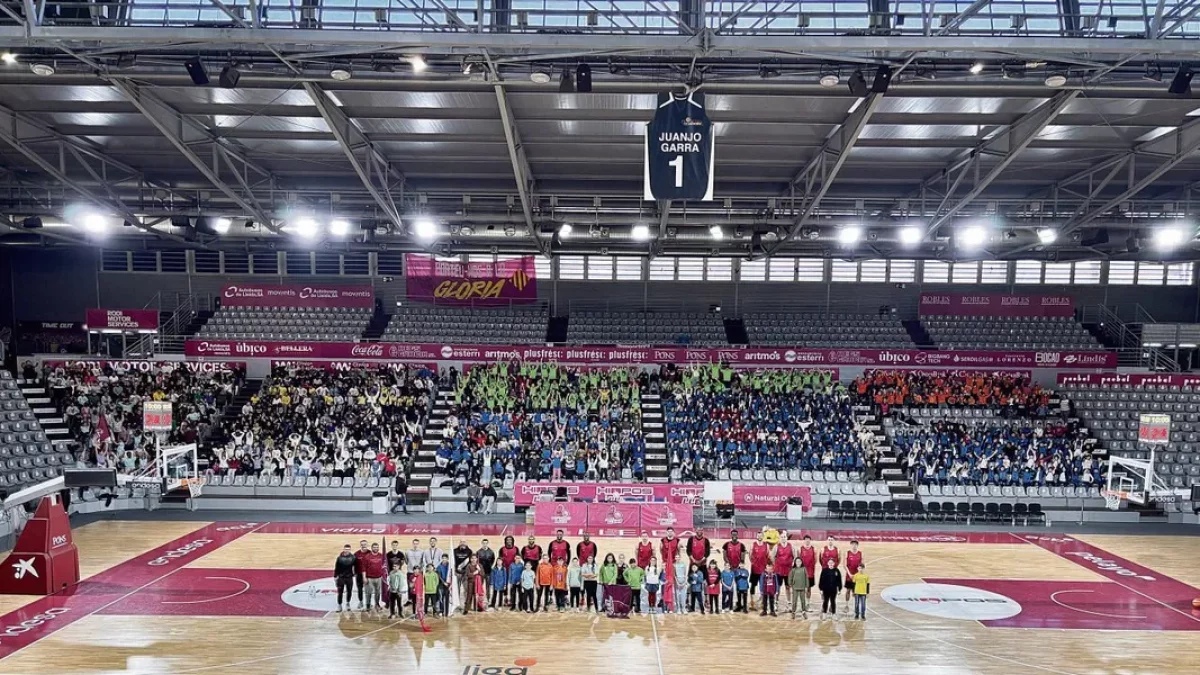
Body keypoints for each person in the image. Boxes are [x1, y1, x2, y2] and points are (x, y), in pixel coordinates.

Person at [773, 531, 795, 613]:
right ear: (780, 538)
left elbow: (795, 557)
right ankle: (776, 603)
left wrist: (793, 564)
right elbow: (772, 557)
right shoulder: (776, 547)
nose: (783, 538)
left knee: (788, 587)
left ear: (787, 538)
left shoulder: (791, 546)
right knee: (777, 588)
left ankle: (789, 604)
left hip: (788, 571)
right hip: (779, 571)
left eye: (785, 537)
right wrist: (777, 565)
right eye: (782, 537)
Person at [334, 544, 357, 613]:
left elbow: (355, 566)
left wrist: (355, 573)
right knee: (340, 592)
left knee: (349, 591)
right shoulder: (339, 558)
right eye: (346, 549)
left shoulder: (353, 558)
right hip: (341, 578)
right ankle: (339, 605)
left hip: (349, 577)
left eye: (348, 549)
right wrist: (335, 576)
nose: (347, 551)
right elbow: (336, 568)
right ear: (343, 549)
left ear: (350, 550)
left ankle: (348, 603)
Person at [363, 542, 386, 612]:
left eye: (377, 547)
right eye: (374, 547)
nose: (376, 548)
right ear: (371, 548)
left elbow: (384, 566)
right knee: (368, 592)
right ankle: (368, 605)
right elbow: (363, 568)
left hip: (379, 577)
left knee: (378, 592)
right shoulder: (367, 556)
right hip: (369, 578)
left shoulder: (381, 556)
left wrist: (384, 576)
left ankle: (377, 604)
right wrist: (364, 577)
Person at [749, 531, 769, 611]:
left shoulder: (766, 545)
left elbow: (768, 555)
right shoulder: (753, 544)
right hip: (754, 569)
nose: (759, 536)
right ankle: (752, 602)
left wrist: (766, 566)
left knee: (763, 586)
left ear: (763, 536)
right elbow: (750, 555)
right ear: (756, 536)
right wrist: (753, 563)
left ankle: (762, 602)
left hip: (763, 570)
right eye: (758, 535)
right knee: (753, 586)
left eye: (761, 535)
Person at [454, 540, 474, 611]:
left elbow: (472, 562)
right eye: (461, 542)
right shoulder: (454, 551)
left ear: (466, 543)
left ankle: (467, 605)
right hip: (457, 574)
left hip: (466, 574)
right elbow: (453, 562)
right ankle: (457, 605)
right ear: (459, 543)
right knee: (457, 590)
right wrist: (455, 571)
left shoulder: (470, 551)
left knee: (467, 590)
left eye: (464, 542)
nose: (462, 543)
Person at [844, 539, 863, 609]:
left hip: (857, 576)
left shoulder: (860, 554)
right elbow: (844, 565)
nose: (854, 546)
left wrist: (857, 574)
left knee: (856, 592)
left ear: (857, 545)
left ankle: (856, 606)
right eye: (853, 544)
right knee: (848, 590)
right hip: (849, 576)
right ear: (851, 545)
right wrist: (849, 574)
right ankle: (846, 605)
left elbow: (862, 566)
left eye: (855, 544)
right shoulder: (847, 553)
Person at [798, 535, 817, 607]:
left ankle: (808, 603)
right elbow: (798, 561)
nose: (807, 540)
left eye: (808, 539)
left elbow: (816, 560)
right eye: (806, 539)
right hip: (802, 572)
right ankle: (803, 602)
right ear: (804, 540)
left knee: (809, 588)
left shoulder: (813, 549)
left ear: (810, 540)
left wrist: (810, 568)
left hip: (810, 572)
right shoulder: (800, 549)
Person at [353, 540, 370, 609]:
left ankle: (368, 603)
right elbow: (353, 565)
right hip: (359, 574)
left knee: (368, 590)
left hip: (368, 575)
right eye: (362, 544)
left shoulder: (370, 553)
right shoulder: (356, 554)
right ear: (360, 545)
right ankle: (361, 602)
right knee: (360, 589)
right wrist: (354, 573)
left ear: (367, 544)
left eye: (365, 544)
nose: (364, 545)